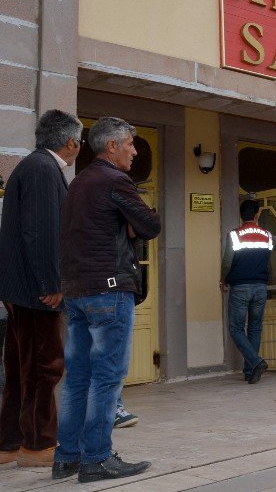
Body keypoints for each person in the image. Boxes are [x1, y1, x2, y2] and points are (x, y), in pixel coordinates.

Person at [55, 116, 161, 482]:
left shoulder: (79, 182)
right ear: (111, 146)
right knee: (107, 378)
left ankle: (66, 457)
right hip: (109, 290)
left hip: (77, 291)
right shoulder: (116, 180)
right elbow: (150, 226)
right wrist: (135, 223)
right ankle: (97, 458)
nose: (134, 150)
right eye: (130, 143)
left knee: (77, 378)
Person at [0, 110, 81, 469]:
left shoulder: (32, 166)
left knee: (20, 368)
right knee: (43, 368)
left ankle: (9, 442)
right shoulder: (44, 169)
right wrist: (52, 283)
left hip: (21, 288)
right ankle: (37, 445)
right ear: (71, 142)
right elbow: (41, 231)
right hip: (37, 290)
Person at [221, 199, 276, 383]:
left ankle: (255, 362)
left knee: (235, 329)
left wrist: (223, 279)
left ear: (241, 216)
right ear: (256, 216)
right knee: (255, 328)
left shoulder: (234, 235)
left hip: (240, 288)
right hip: (260, 288)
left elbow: (227, 261)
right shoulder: (266, 235)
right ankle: (250, 371)